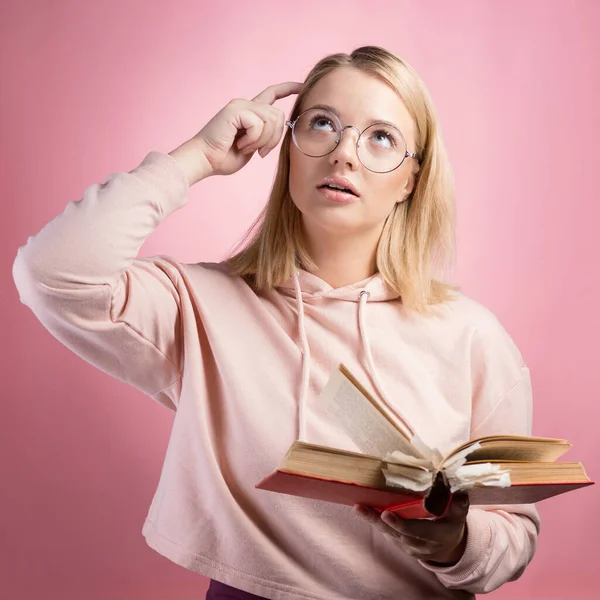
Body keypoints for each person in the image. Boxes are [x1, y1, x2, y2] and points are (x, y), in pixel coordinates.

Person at [12, 46, 539, 599]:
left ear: (411, 179)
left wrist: (456, 543)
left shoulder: (473, 337)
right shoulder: (200, 306)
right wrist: (198, 157)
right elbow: (50, 273)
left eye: (381, 137)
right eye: (322, 125)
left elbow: (512, 535)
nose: (344, 155)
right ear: (289, 148)